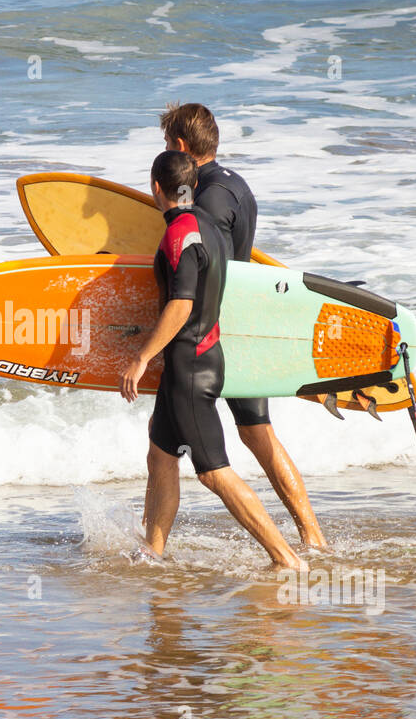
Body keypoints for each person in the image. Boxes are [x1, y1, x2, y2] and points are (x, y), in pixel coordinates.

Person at [119, 150, 306, 571]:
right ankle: (153, 550)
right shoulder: (211, 229)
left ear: (155, 188)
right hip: (205, 355)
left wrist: (142, 357)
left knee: (213, 471)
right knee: (161, 454)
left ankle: (286, 558)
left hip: (189, 366)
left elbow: (181, 304)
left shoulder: (179, 234)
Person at [159, 103, 327, 551]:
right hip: (239, 327)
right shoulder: (235, 185)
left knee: (225, 456)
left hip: (216, 334)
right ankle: (312, 537)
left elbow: (197, 262)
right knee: (255, 431)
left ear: (179, 146)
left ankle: (292, 550)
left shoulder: (207, 199)